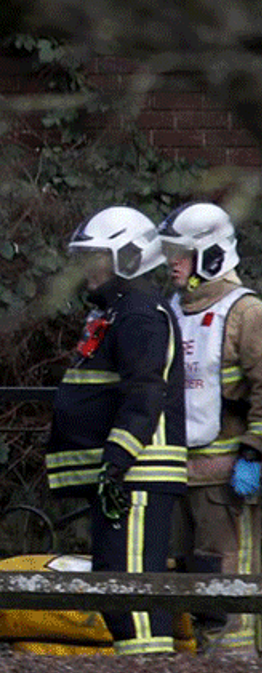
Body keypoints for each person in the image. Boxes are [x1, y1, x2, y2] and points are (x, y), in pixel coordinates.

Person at [47, 206, 186, 656]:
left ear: (130, 256)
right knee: (116, 585)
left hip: (137, 477)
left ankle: (150, 664)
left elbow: (145, 394)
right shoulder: (118, 310)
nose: (90, 268)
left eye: (99, 257)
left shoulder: (141, 314)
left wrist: (117, 460)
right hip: (120, 478)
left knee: (134, 594)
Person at [157, 202, 262, 656]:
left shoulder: (245, 312)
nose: (172, 262)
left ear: (213, 255)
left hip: (226, 482)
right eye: (169, 251)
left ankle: (236, 660)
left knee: (229, 584)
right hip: (175, 473)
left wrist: (254, 452)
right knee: (191, 582)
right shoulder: (171, 311)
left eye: (182, 252)